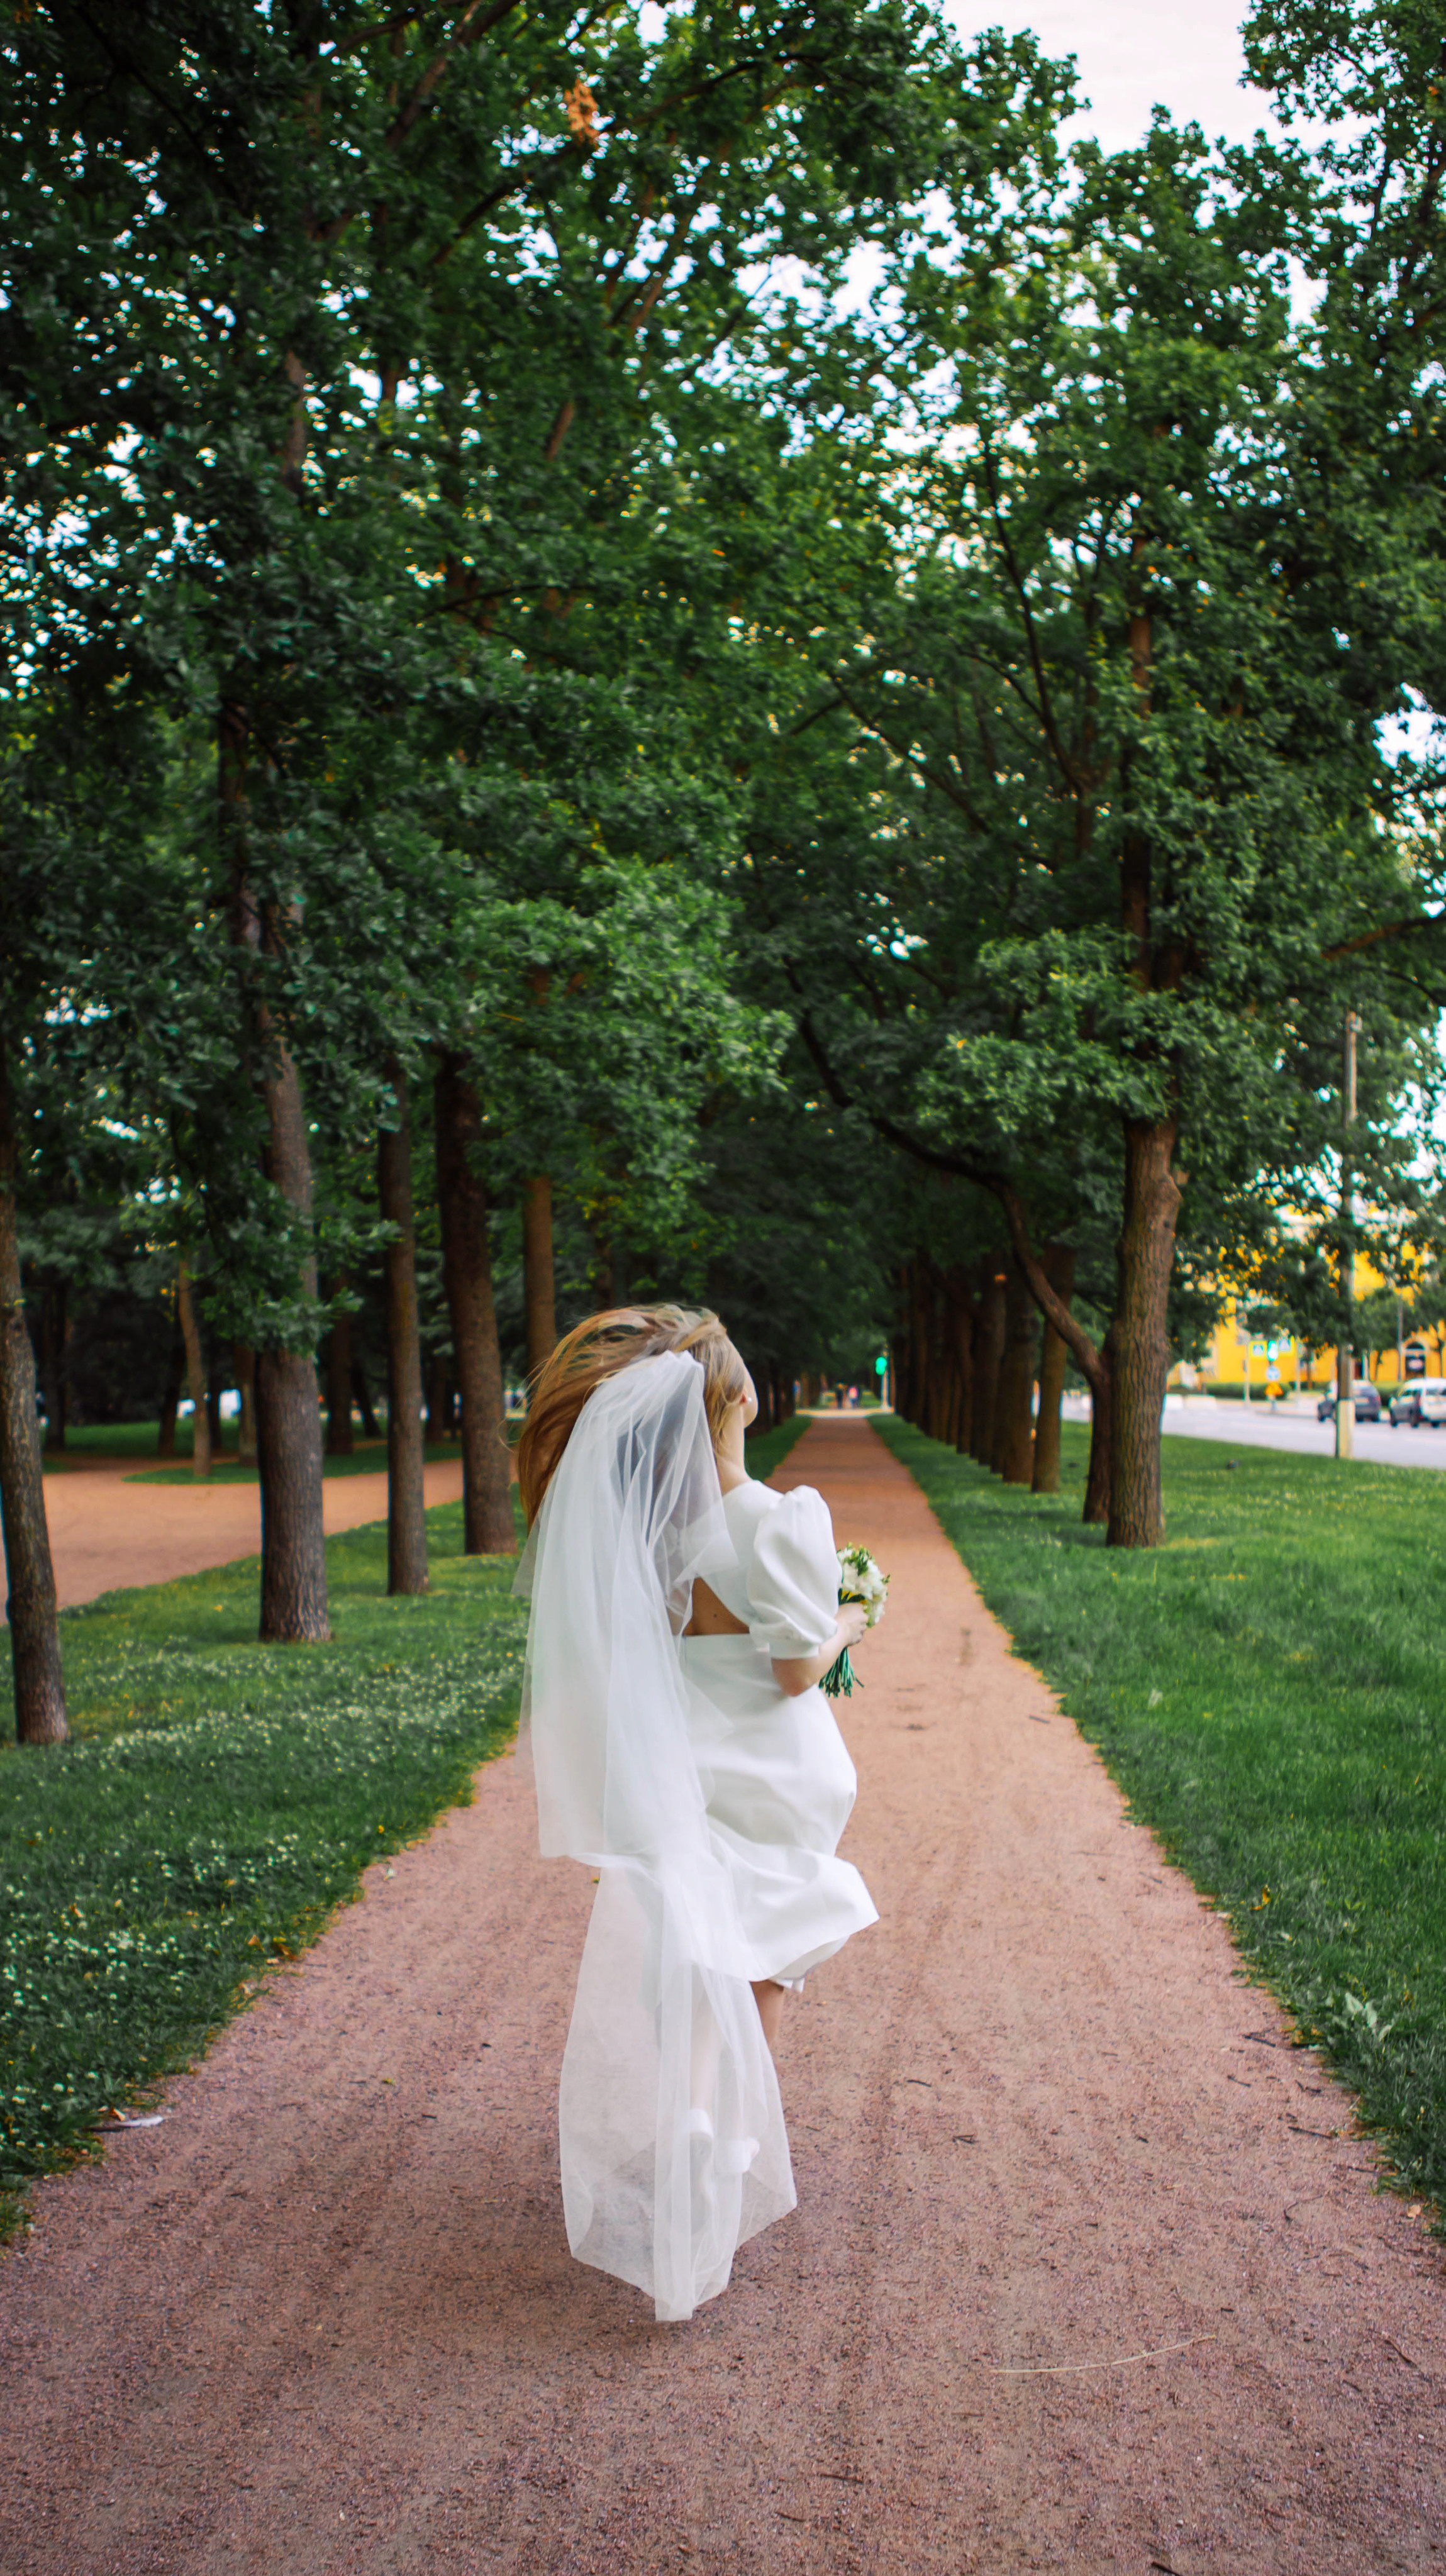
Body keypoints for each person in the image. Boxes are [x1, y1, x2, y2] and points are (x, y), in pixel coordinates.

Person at [514, 1305, 877, 2323]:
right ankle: (732, 2129)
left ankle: (696, 2118)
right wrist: (857, 1613)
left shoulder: (651, 1536)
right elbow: (801, 1668)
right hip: (778, 1769)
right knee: (768, 1941)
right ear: (735, 1396)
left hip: (686, 1767)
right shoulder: (781, 1517)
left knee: (707, 1937)